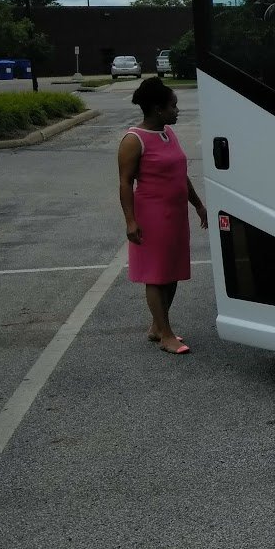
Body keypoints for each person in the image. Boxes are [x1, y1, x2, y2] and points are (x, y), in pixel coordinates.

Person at [117, 77, 207, 355]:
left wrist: (197, 204)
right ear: (158, 109)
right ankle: (166, 334)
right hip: (152, 216)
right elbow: (125, 183)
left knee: (172, 271)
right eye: (173, 106)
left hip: (175, 215)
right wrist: (130, 221)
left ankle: (158, 326)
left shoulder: (168, 133)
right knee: (156, 275)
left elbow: (180, 175)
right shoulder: (134, 140)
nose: (177, 111)